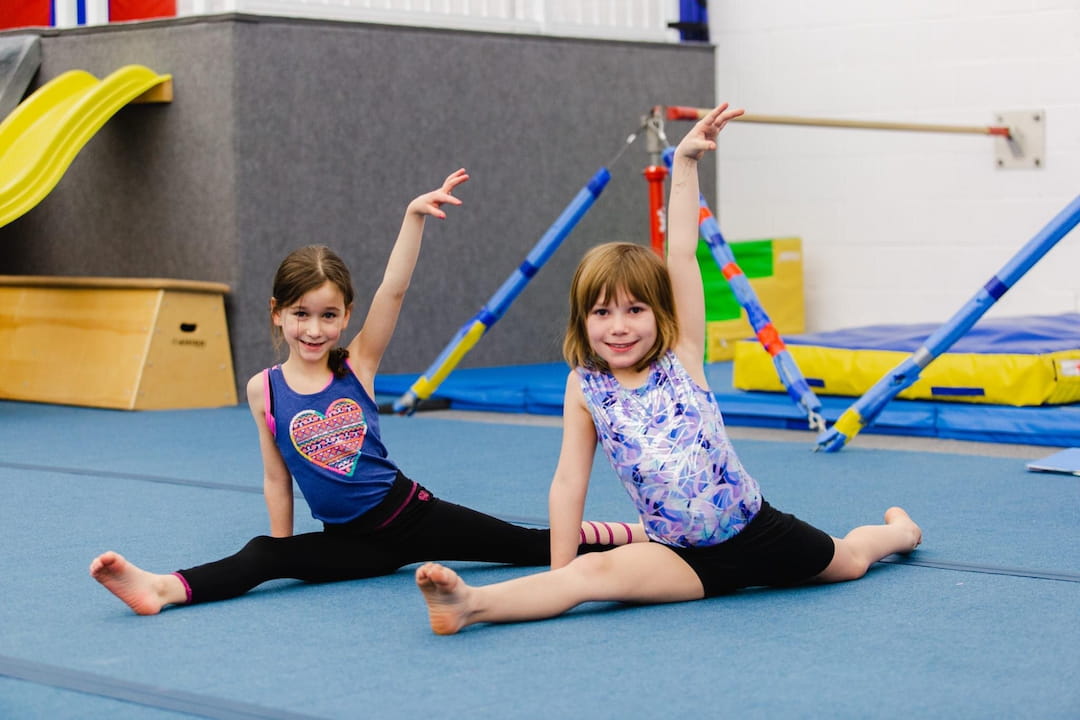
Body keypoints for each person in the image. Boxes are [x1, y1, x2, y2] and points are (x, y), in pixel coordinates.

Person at [416, 105, 923, 634]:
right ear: (582, 320)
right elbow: (569, 481)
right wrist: (559, 578)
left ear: (659, 316)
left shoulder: (680, 356)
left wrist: (684, 164)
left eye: (635, 310)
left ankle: (900, 532)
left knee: (851, 562)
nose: (619, 326)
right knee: (591, 574)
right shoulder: (585, 387)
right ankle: (468, 604)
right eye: (602, 312)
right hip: (680, 557)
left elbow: (681, 254)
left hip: (757, 531)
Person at [90, 168, 644, 615]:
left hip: (412, 515)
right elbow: (275, 476)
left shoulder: (357, 365)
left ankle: (640, 534)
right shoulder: (265, 391)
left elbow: (394, 291)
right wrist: (285, 549)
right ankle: (162, 588)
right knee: (261, 555)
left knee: (528, 547)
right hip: (352, 544)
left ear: (346, 316)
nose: (314, 329)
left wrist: (412, 218)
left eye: (329, 315)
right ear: (277, 315)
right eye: (301, 315)